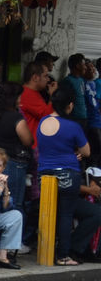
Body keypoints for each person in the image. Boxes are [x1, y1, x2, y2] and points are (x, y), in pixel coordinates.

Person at [36, 85, 91, 266]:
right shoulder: (73, 126)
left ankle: (43, 253)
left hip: (44, 174)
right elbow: (87, 151)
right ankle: (63, 256)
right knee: (65, 215)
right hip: (68, 173)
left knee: (46, 212)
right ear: (70, 105)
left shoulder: (42, 122)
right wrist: (74, 152)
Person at [0, 82, 33, 245]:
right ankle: (11, 245)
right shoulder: (16, 118)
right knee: (14, 204)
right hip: (14, 165)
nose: (21, 100)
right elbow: (28, 140)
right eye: (19, 97)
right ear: (14, 98)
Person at [20, 61, 51, 147]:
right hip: (31, 147)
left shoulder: (32, 92)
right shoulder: (28, 94)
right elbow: (47, 117)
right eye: (45, 76)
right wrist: (53, 97)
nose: (48, 79)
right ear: (35, 78)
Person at [61, 53, 89, 133]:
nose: (85, 67)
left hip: (84, 118)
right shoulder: (68, 81)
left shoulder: (81, 80)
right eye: (84, 64)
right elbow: (64, 101)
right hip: (74, 119)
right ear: (78, 66)